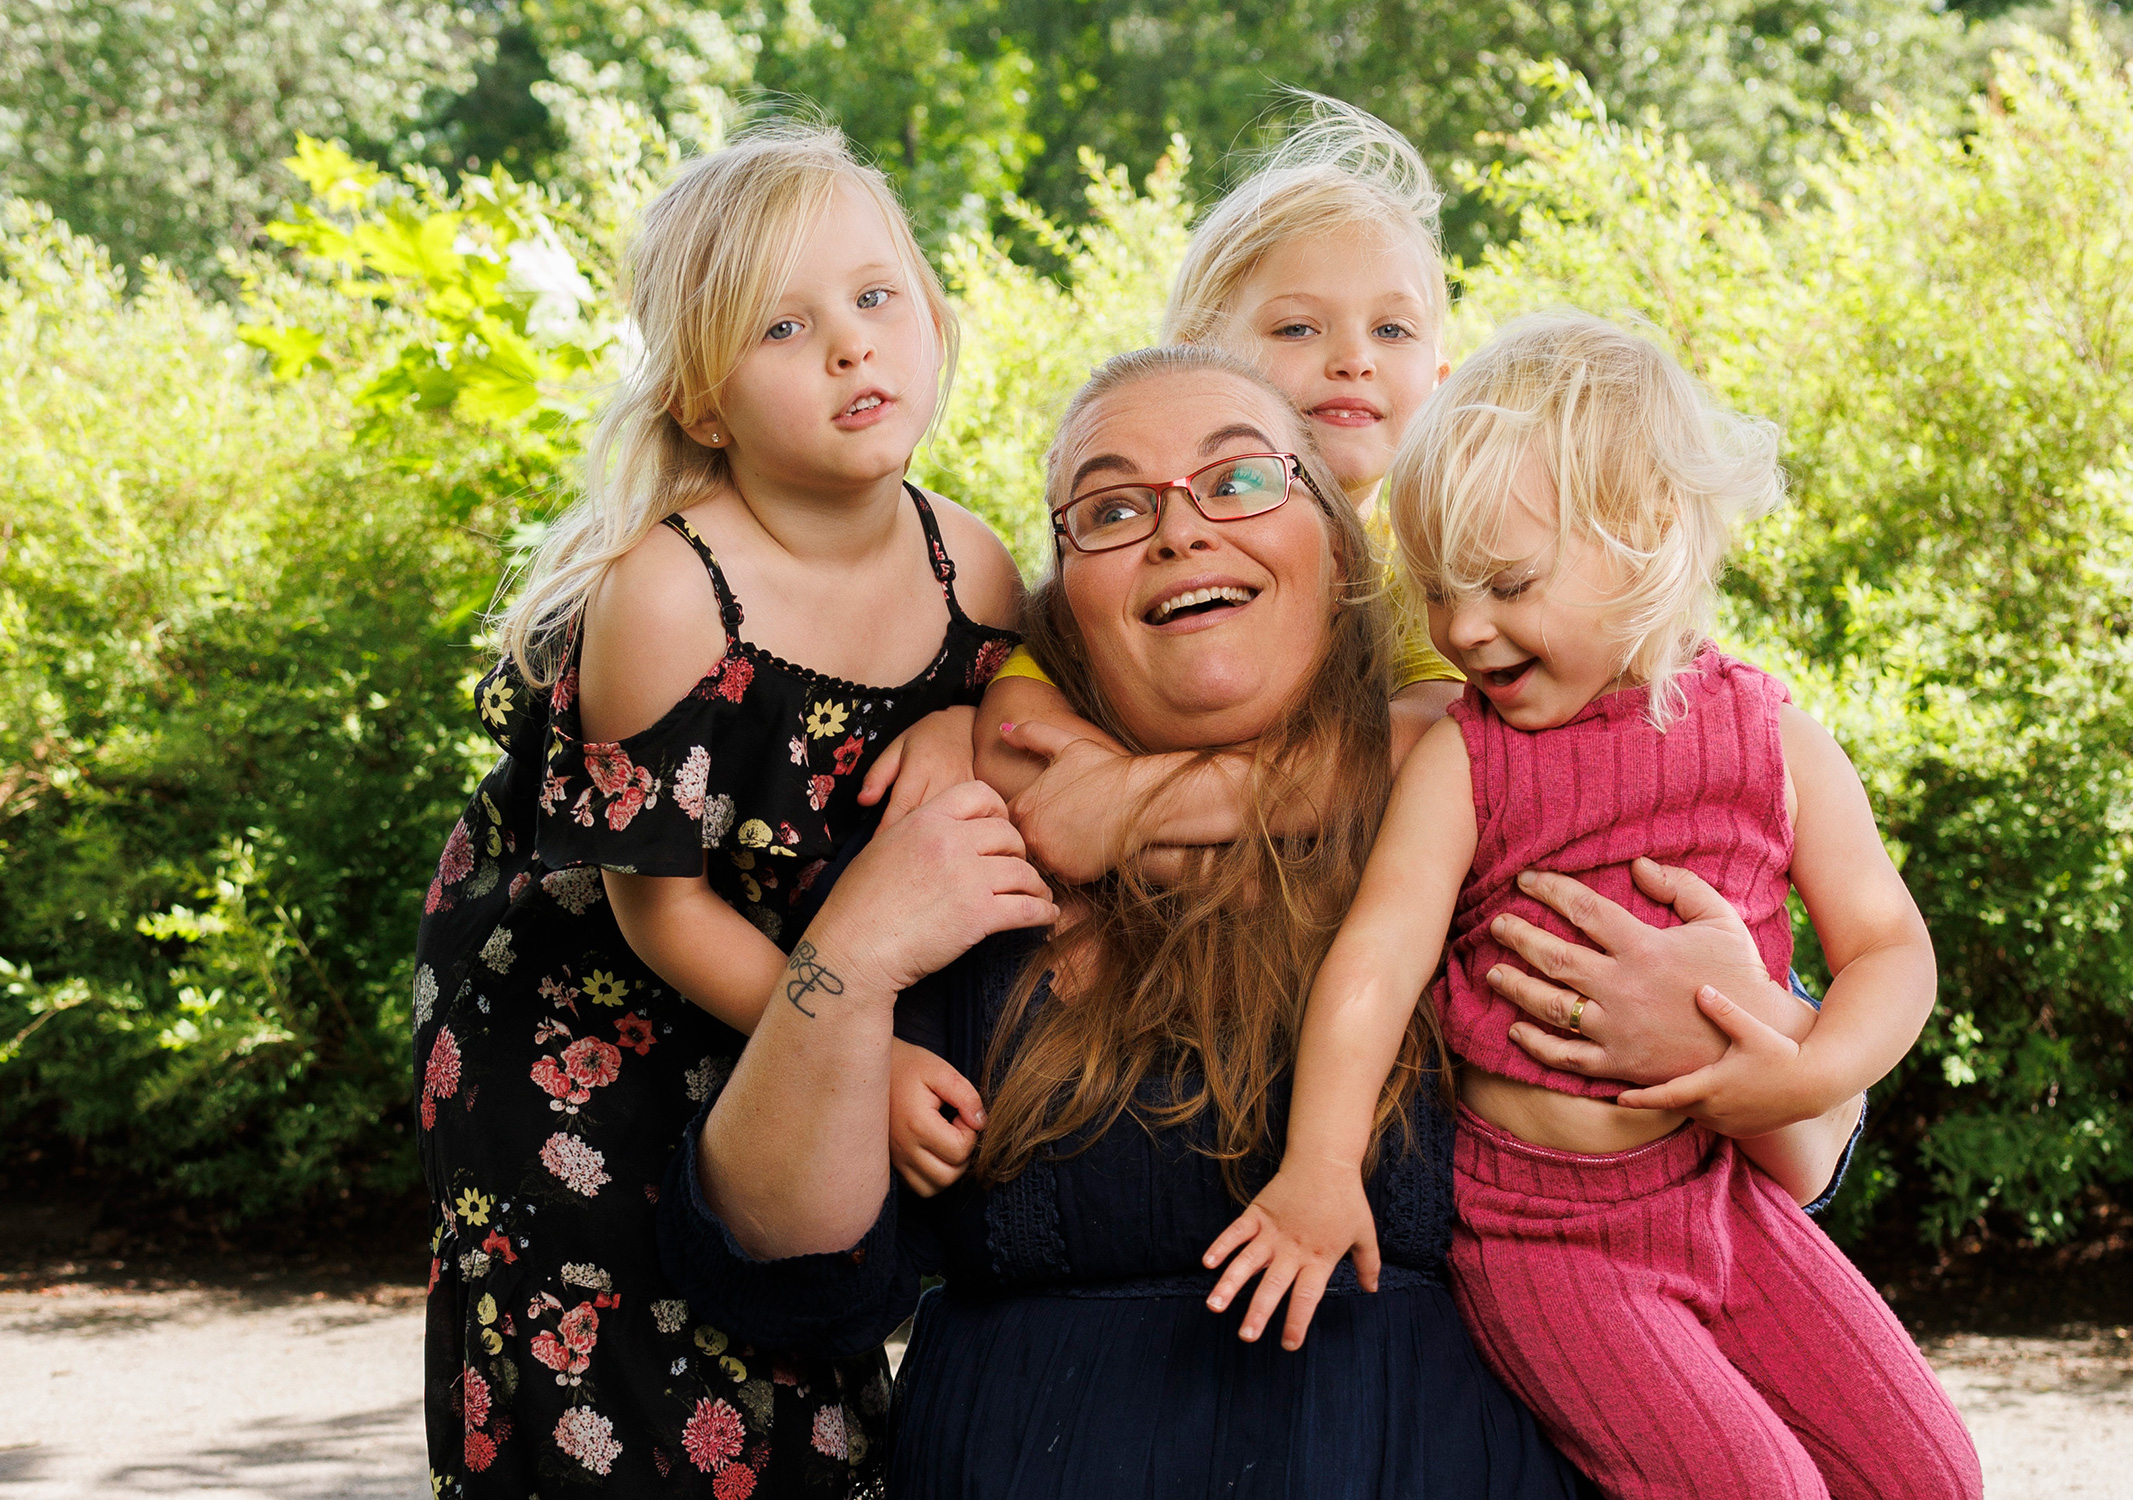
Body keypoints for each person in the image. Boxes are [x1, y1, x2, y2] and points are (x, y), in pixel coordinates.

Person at [655, 345, 1591, 1497]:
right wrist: (847, 961)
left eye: (1240, 479)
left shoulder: (1506, 802)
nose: (1179, 530)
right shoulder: (958, 830)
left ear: (1342, 548)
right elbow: (784, 1272)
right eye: (1110, 508)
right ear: (1061, 612)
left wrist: (1752, 1034)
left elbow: (1760, 1160)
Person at [1201, 311, 1983, 1499]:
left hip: (1716, 1197)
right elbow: (1374, 959)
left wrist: (1810, 1071)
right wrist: (1319, 1165)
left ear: (1649, 534)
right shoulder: (1466, 760)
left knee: (1928, 1472)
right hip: (1545, 1241)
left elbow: (1887, 947)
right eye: (1439, 592)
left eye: (1505, 584)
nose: (1462, 628)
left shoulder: (1773, 739)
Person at [409, 121, 1034, 1498]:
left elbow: (1039, 726)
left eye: (877, 300)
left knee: (811, 1360)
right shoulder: (673, 594)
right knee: (620, 1384)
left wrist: (961, 717)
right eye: (784, 327)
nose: (852, 348)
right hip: (585, 1033)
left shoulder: (971, 566)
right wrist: (856, 1061)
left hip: (794, 995)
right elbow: (657, 902)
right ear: (703, 402)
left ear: (932, 316)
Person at [966, 95, 1463, 898]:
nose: (1354, 360)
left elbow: (1439, 740)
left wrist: (1137, 806)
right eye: (1298, 329)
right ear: (1196, 358)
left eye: (1393, 332)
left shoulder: (1431, 565)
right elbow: (1015, 743)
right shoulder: (1132, 546)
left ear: (1441, 384)